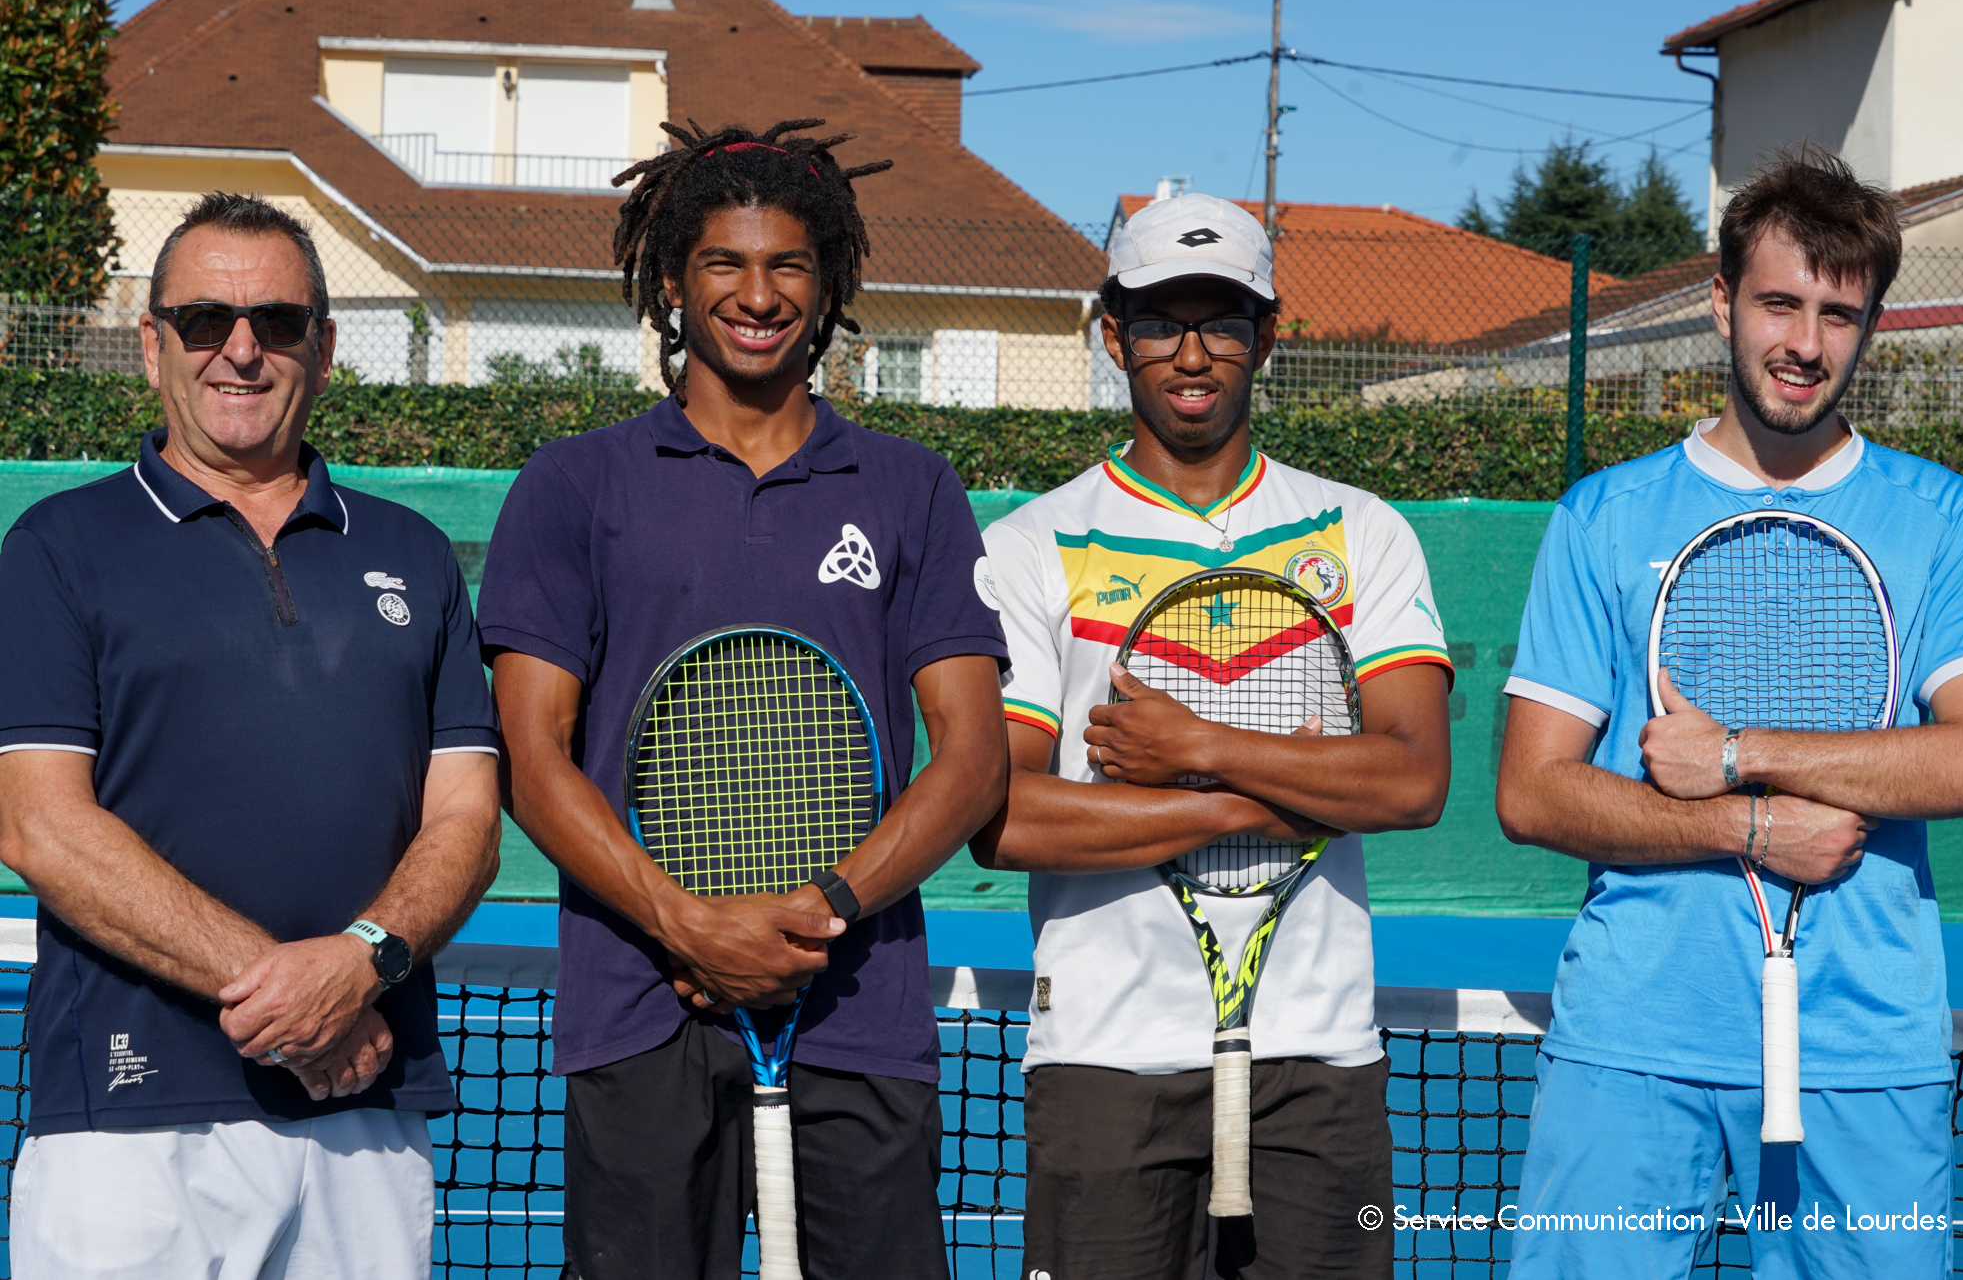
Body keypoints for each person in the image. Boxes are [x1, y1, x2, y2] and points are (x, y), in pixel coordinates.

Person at [479, 118, 1009, 1280]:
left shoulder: (913, 488)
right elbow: (531, 754)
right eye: (724, 261)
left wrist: (818, 913)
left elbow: (972, 760)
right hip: (640, 1011)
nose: (757, 295)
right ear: (673, 282)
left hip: (858, 1013)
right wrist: (687, 925)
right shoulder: (572, 484)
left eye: (787, 266)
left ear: (828, 287)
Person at [1496, 146, 1963, 1278]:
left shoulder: (1944, 517)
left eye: (1838, 314)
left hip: (1864, 1050)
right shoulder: (1601, 517)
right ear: (1721, 302)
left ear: (1868, 326)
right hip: (1633, 1042)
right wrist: (1750, 826)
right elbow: (1529, 791)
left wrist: (1736, 752)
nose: (1805, 343)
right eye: (1779, 303)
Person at [0, 191, 502, 1278]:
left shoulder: (417, 555)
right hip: (127, 1122)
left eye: (276, 321)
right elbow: (41, 826)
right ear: (153, 347)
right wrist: (299, 1000)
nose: (241, 349)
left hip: (367, 1106)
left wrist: (362, 963)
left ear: (323, 348)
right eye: (203, 321)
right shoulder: (57, 546)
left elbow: (467, 819)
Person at [971, 192, 1454, 1279]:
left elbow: (1413, 778)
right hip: (1104, 1058)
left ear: (1264, 336)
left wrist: (1198, 747)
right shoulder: (1031, 544)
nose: (1190, 354)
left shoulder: (1361, 531)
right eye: (1159, 322)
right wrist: (1268, 801)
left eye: (1221, 321)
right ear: (1114, 336)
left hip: (1317, 1060)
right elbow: (1003, 816)